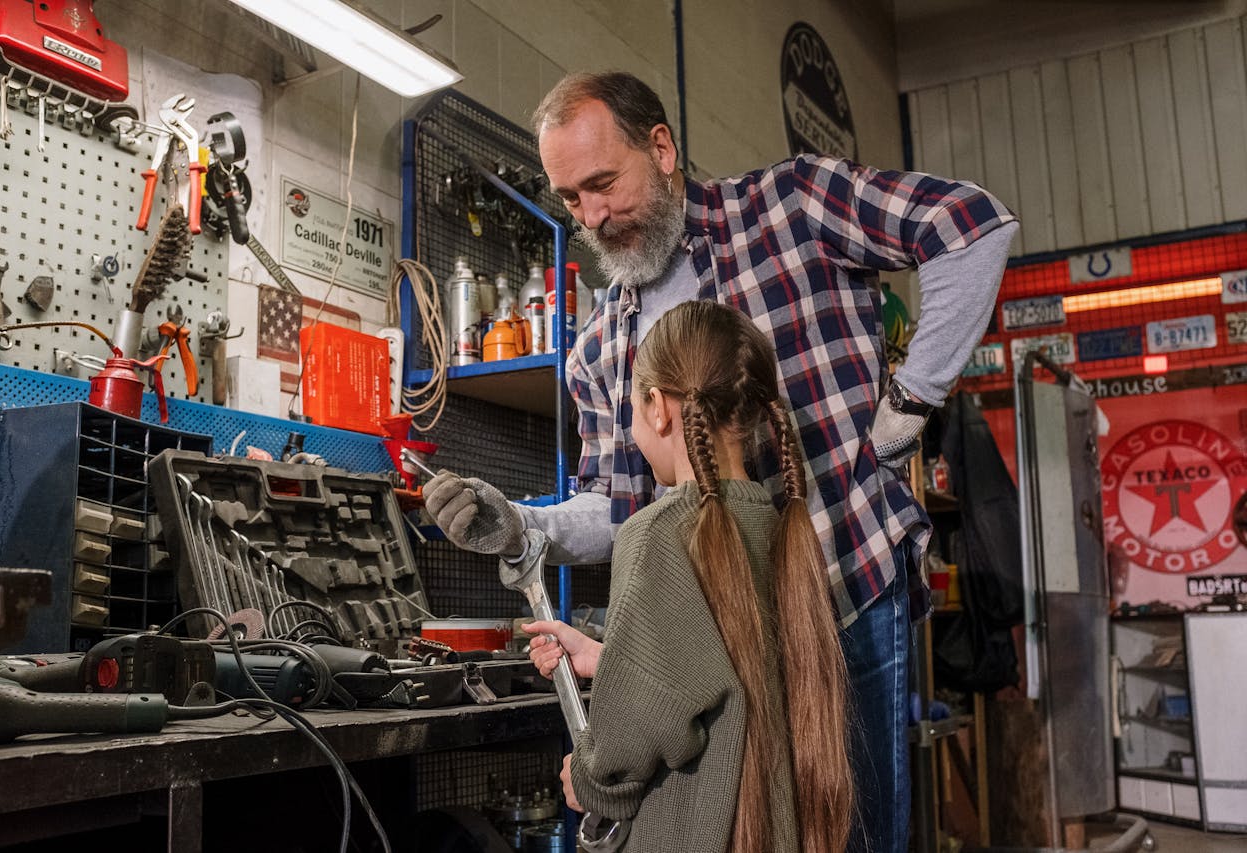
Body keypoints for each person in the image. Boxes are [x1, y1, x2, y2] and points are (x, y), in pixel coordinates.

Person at [423, 70, 1019, 852]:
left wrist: (908, 401)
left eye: (604, 183)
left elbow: (971, 225)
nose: (593, 215)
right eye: (571, 199)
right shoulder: (601, 344)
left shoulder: (791, 207)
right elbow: (613, 505)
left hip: (844, 601)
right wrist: (523, 525)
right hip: (723, 639)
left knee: (861, 833)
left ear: (662, 148)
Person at [526, 299, 852, 853]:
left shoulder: (656, 533)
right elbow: (726, 678)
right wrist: (611, 657)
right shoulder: (783, 530)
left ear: (658, 408)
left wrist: (588, 777)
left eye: (631, 405)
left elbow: (635, 736)